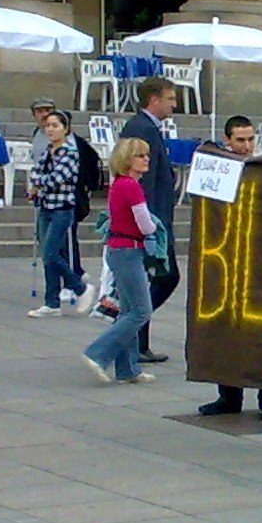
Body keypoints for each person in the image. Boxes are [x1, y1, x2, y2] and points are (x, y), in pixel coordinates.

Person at [200, 116, 262, 421]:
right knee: (226, 331)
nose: (247, 146)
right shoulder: (219, 168)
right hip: (227, 261)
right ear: (227, 141)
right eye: (240, 140)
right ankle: (229, 394)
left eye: (251, 139)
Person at [83, 137, 158, 385]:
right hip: (128, 250)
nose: (146, 159)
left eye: (146, 155)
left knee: (128, 310)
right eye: (140, 155)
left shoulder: (120, 184)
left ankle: (128, 369)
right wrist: (155, 228)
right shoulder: (131, 186)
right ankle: (97, 353)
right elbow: (145, 224)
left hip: (120, 249)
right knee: (140, 310)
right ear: (127, 159)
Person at [121, 77, 180, 365]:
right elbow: (140, 179)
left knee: (156, 280)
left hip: (156, 216)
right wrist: (149, 223)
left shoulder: (149, 128)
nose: (175, 105)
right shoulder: (141, 129)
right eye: (170, 99)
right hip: (151, 220)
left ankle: (135, 336)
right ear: (154, 100)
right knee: (165, 277)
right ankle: (128, 329)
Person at [27, 109, 94, 318]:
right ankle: (52, 302)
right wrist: (39, 180)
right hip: (45, 206)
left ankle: (80, 286)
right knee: (47, 256)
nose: (50, 129)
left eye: (55, 125)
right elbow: (35, 172)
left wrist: (39, 181)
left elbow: (57, 179)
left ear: (65, 129)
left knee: (51, 253)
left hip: (62, 208)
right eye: (47, 126)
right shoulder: (47, 151)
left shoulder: (70, 153)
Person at [28, 99, 59, 163]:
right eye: (40, 111)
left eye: (47, 110)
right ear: (34, 115)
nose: (45, 114)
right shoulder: (36, 132)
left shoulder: (63, 135)